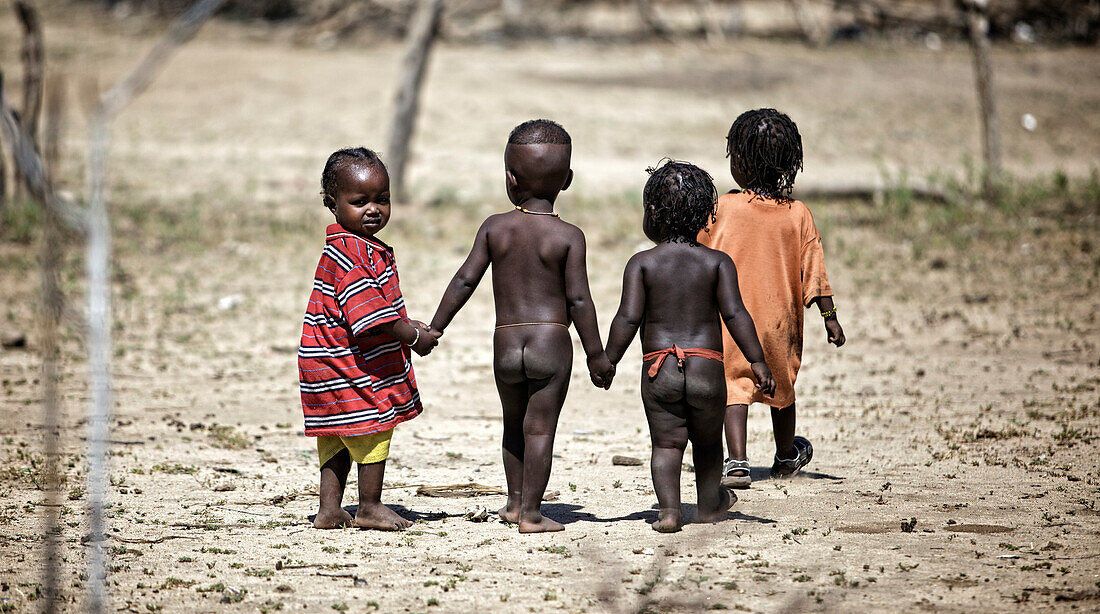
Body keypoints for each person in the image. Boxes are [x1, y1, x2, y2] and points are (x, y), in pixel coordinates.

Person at [430, 119, 614, 533]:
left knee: (513, 423)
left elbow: (464, 279)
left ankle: (514, 503)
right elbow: (579, 300)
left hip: (506, 343)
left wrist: (436, 328)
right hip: (551, 341)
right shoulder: (569, 236)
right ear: (567, 179)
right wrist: (596, 354)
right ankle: (532, 513)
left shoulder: (496, 227)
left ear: (510, 179)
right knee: (540, 429)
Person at [602, 159, 776, 533]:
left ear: (652, 214)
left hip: (659, 367)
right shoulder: (717, 262)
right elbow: (736, 315)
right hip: (706, 367)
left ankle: (668, 514)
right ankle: (710, 505)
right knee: (709, 442)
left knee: (666, 445)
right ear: (704, 217)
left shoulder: (641, 264)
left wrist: (608, 360)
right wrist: (757, 362)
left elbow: (627, 319)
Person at [698, 108, 846, 489]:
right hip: (781, 323)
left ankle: (737, 462)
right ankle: (784, 456)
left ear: (741, 161)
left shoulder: (723, 209)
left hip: (731, 322)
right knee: (781, 386)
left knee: (735, 385)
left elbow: (697, 254)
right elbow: (815, 275)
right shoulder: (799, 214)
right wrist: (830, 317)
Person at [298, 147, 439, 530]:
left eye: (382, 199)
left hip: (324, 363)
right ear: (332, 203)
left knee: (336, 433)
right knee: (373, 426)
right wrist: (411, 336)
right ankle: (369, 506)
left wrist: (405, 321)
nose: (373, 209)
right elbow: (371, 317)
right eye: (359, 202)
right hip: (349, 366)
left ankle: (329, 510)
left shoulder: (353, 247)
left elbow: (368, 308)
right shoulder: (351, 253)